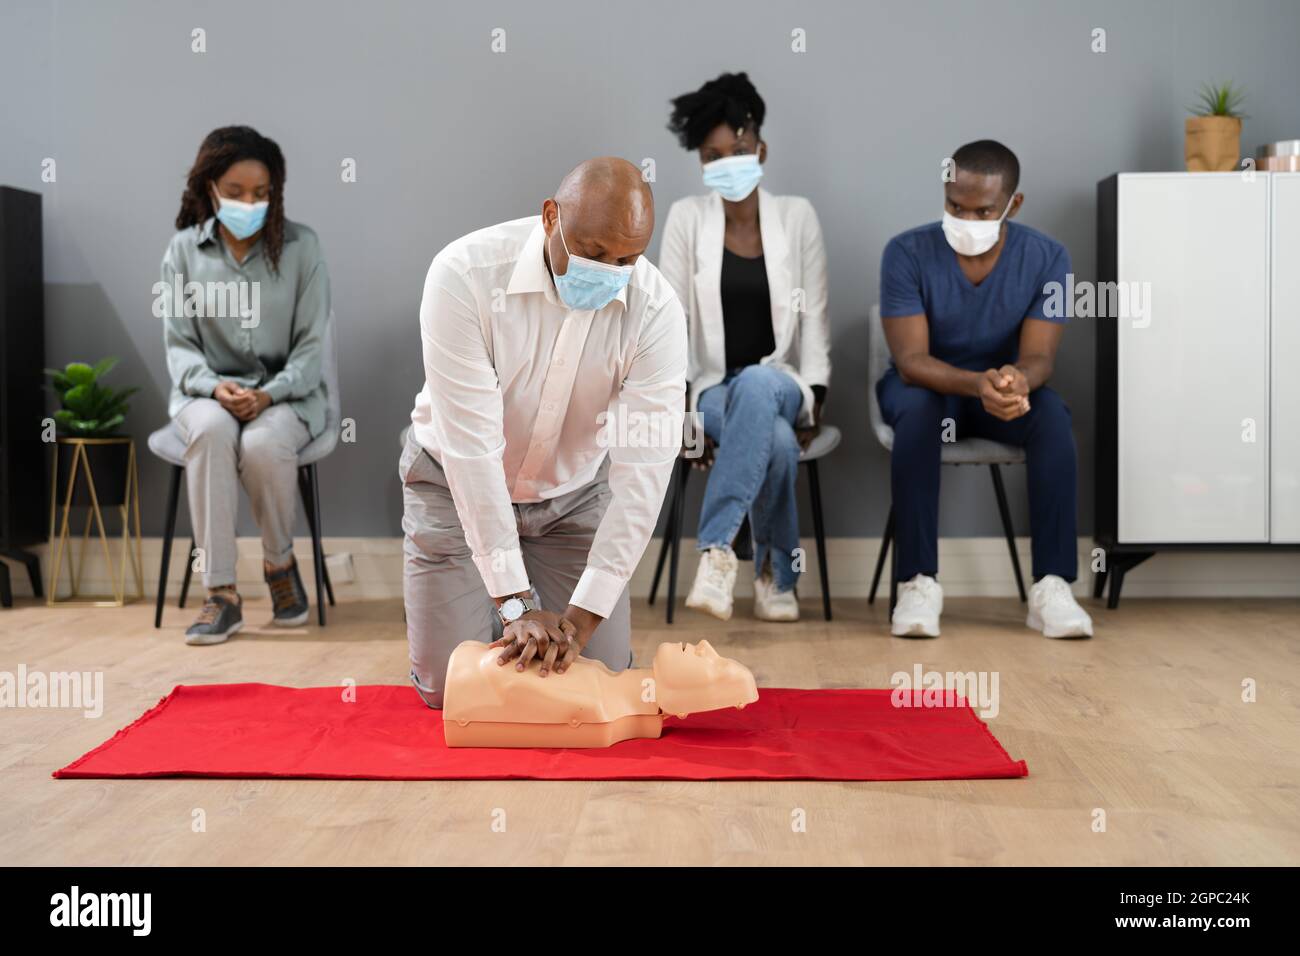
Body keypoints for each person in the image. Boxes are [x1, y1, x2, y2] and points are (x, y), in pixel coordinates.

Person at [401, 157, 687, 709]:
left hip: (573, 497)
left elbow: (644, 475)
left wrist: (583, 618)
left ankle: (512, 604)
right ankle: (475, 597)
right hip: (453, 484)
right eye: (595, 253)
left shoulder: (657, 312)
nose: (609, 271)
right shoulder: (463, 274)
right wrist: (514, 602)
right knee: (447, 691)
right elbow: (472, 449)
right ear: (551, 216)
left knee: (600, 676)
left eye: (627, 259)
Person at [877, 139, 1092, 639]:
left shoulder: (1048, 258)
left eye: (983, 210)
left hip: (999, 393)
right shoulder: (905, 252)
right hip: (927, 390)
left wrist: (1017, 380)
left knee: (1052, 417)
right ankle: (917, 581)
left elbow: (1040, 357)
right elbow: (911, 362)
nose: (966, 219)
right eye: (955, 206)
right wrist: (979, 383)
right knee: (918, 412)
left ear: (1012, 205)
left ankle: (1052, 584)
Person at [658, 72, 831, 623]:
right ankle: (775, 576)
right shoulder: (687, 218)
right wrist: (682, 415)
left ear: (760, 148)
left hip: (781, 381)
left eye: (738, 150)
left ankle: (715, 551)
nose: (727, 163)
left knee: (761, 387)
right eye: (713, 155)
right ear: (701, 162)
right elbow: (668, 325)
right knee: (775, 441)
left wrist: (815, 398)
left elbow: (816, 315)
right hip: (711, 390)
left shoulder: (797, 216)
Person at [161, 125, 331, 645]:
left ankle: (280, 566)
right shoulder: (184, 252)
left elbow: (310, 347)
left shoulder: (302, 247)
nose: (249, 203)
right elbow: (180, 345)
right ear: (209, 187)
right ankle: (221, 593)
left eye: (261, 193)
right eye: (236, 192)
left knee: (262, 444)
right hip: (205, 396)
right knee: (212, 432)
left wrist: (269, 394)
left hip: (285, 395)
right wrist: (214, 388)